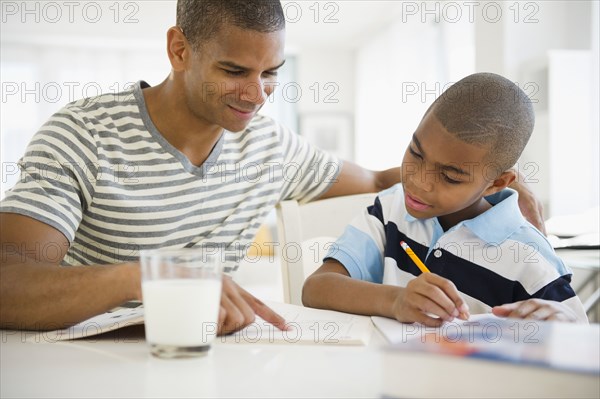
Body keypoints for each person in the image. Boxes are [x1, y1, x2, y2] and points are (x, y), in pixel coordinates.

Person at [0, 1, 545, 334]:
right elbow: (8, 284)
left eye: (272, 73)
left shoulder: (268, 144)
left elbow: (382, 182)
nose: (257, 95)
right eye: (235, 70)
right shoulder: (82, 135)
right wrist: (151, 277)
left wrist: (491, 193)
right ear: (179, 49)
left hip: (208, 357)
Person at [302, 72, 588, 325]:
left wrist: (566, 328)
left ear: (497, 183)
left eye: (450, 177)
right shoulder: (390, 208)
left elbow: (578, 343)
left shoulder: (530, 257)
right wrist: (395, 301)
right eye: (416, 152)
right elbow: (316, 288)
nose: (417, 181)